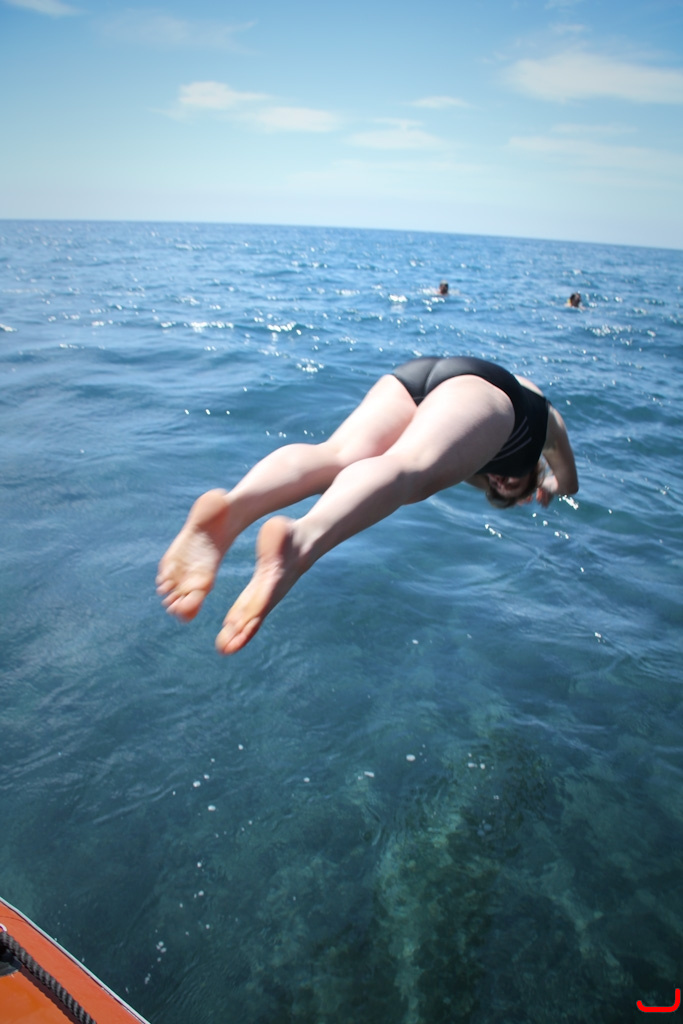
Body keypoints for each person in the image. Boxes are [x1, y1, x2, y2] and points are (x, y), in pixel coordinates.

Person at [157, 356, 578, 655]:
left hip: (421, 376)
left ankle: (233, 510)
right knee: (408, 470)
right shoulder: (545, 429)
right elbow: (570, 483)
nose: (502, 481)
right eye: (510, 483)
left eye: (499, 489)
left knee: (338, 456)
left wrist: (523, 482)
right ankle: (301, 541)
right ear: (531, 473)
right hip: (485, 391)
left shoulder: (476, 456)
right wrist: (548, 485)